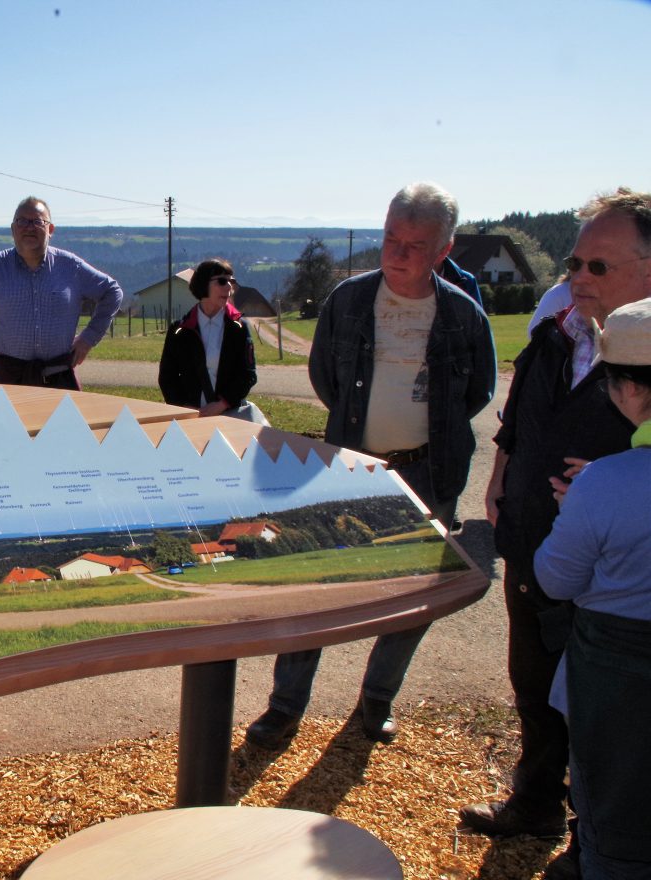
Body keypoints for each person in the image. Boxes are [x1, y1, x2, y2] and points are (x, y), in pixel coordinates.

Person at [246, 182, 496, 748]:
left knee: (413, 595)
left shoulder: (464, 315)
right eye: (389, 238)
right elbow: (325, 380)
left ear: (443, 250)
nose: (397, 253)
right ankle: (285, 706)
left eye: (414, 244)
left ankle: (377, 700)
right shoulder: (349, 301)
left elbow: (477, 391)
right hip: (349, 467)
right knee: (318, 585)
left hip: (429, 473)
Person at [460, 190, 651, 872]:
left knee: (612, 719)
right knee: (536, 687)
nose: (578, 278)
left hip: (616, 580)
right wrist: (500, 479)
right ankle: (537, 803)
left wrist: (613, 481)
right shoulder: (555, 335)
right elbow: (515, 422)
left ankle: (592, 842)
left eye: (598, 266)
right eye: (574, 263)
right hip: (535, 544)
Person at [533, 299, 651, 880]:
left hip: (617, 673)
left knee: (613, 821)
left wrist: (577, 506)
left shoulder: (603, 483)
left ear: (630, 388)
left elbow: (555, 578)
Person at [0, 196, 124, 389]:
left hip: (59, 376)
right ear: (13, 229)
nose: (29, 227)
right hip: (8, 376)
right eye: (22, 221)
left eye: (38, 221)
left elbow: (112, 292)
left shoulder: (70, 267)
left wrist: (89, 338)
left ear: (50, 230)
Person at [157, 258, 265, 423]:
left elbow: (248, 375)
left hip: (230, 417)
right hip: (189, 419)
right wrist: (184, 407)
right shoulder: (179, 330)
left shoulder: (239, 328)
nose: (229, 287)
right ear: (203, 284)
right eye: (222, 281)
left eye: (231, 281)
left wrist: (222, 404)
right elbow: (167, 377)